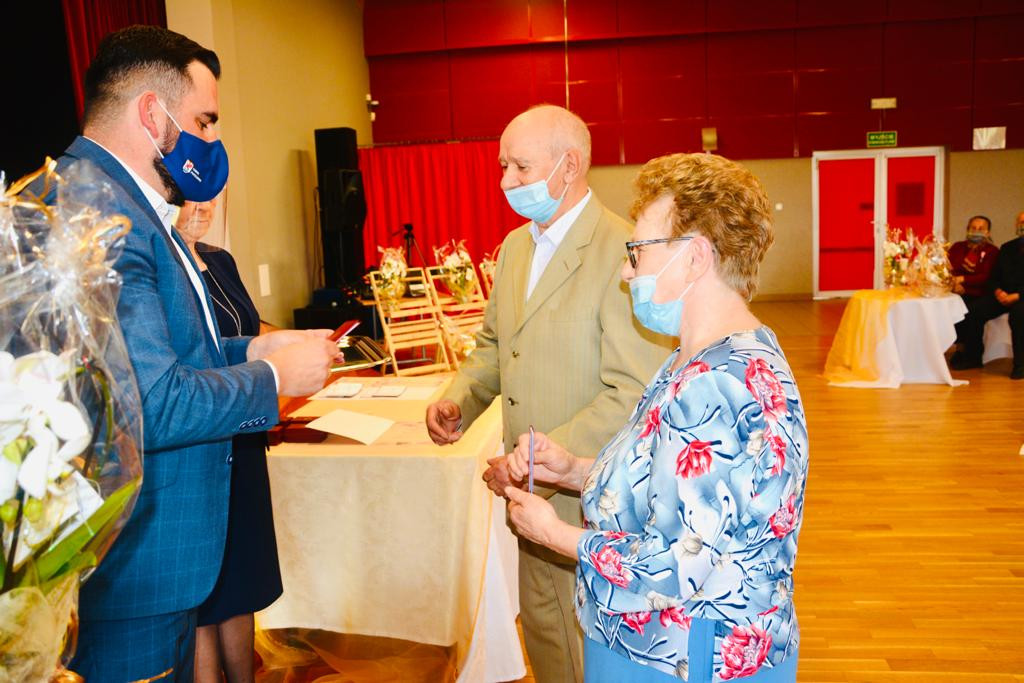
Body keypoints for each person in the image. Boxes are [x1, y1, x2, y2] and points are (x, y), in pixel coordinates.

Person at [41, 26, 339, 681]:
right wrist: (271, 376)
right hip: (135, 569)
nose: (209, 139)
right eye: (203, 121)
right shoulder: (102, 214)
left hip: (157, 560)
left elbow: (164, 354)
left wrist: (253, 345)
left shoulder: (123, 202)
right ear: (154, 114)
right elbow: (151, 401)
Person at [501, 153, 806, 682]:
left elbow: (678, 565)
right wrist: (573, 470)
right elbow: (667, 484)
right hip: (668, 647)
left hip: (681, 656)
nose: (627, 271)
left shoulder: (716, 383)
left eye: (638, 252)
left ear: (695, 257)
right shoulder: (707, 356)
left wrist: (555, 535)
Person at [424, 105, 670, 683]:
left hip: (584, 493)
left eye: (521, 167)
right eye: (503, 166)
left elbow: (631, 391)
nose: (506, 181)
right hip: (527, 489)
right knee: (544, 632)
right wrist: (460, 397)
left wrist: (536, 461)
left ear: (570, 166)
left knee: (588, 642)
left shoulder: (621, 250)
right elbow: (495, 344)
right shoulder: (516, 247)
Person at [173, 199, 283, 682]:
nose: (204, 206)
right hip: (199, 442)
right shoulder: (162, 265)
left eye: (211, 196)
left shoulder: (220, 261)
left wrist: (291, 347)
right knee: (203, 600)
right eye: (191, 197)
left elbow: (247, 332)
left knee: (241, 587)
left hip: (244, 440)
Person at [951, 211, 1024, 379]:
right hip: (1002, 294)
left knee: (1019, 315)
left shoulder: (992, 250)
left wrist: (1016, 296)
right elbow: (993, 277)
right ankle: (973, 357)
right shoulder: (1007, 248)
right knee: (973, 310)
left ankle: (1020, 365)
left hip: (1021, 297)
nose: (1023, 226)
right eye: (1020, 222)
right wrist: (998, 291)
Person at [948, 215, 999, 304]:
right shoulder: (957, 246)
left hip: (978, 295)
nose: (976, 231)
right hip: (952, 289)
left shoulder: (992, 251)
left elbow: (986, 277)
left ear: (988, 233)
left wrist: (962, 279)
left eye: (981, 229)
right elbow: (946, 268)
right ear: (968, 230)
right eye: (973, 228)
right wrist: (954, 284)